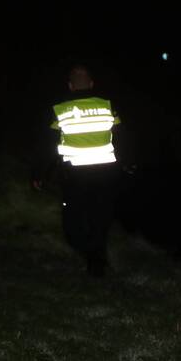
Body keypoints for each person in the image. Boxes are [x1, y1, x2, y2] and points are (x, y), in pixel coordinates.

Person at [33, 65, 122, 277]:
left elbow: (47, 145)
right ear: (91, 84)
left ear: (71, 86)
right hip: (105, 173)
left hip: (75, 176)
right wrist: (128, 164)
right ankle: (97, 258)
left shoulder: (60, 109)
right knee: (99, 216)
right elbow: (123, 137)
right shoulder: (107, 106)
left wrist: (39, 173)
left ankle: (91, 256)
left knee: (73, 220)